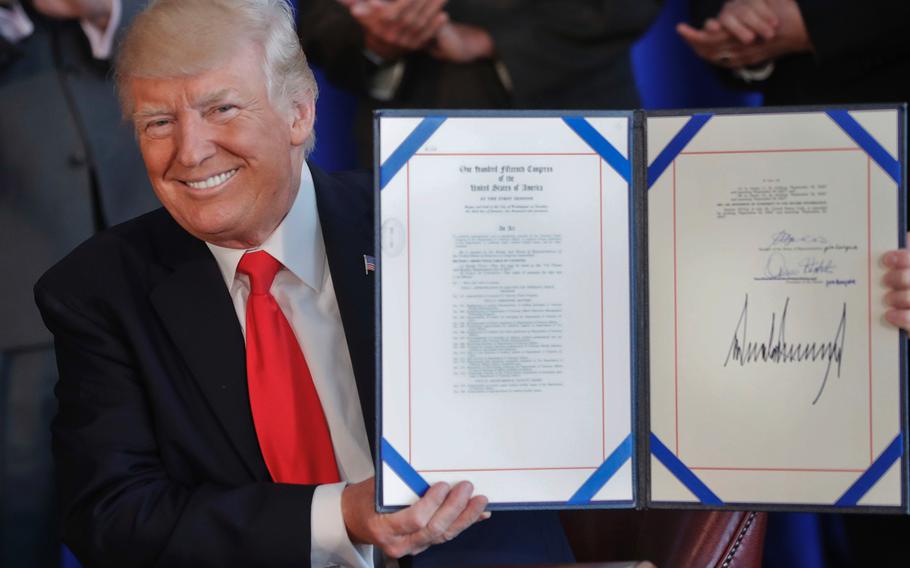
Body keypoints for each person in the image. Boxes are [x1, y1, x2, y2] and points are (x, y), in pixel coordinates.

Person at [32, 0, 569, 566]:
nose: (189, 152)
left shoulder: (437, 224)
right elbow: (113, 517)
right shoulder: (100, 291)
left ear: (300, 114)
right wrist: (341, 515)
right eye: (159, 122)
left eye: (222, 108)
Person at [1, 1, 157, 566]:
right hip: (17, 297)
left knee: (169, 491)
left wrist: (102, 10)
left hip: (152, 266)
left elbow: (187, 46)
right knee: (20, 510)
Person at [297, 0, 661, 164]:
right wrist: (374, 39)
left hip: (578, 125)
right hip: (407, 141)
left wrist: (493, 38)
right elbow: (319, 20)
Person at [677, 0, 910, 105]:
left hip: (894, 105)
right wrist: (741, 24)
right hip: (793, 132)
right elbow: (711, 13)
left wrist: (814, 23)